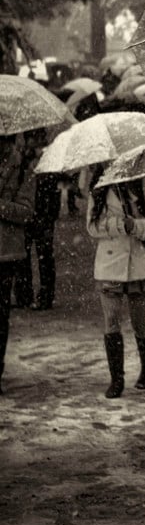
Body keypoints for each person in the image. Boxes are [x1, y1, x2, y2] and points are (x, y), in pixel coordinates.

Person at [86, 166, 145, 398]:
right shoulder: (99, 187)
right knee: (111, 321)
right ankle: (117, 379)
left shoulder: (141, 185)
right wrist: (119, 225)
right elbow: (91, 227)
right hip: (109, 265)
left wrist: (137, 226)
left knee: (138, 322)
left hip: (138, 263)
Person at [0, 133, 35, 393]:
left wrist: (1, 206)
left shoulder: (23, 169)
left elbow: (26, 212)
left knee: (0, 316)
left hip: (6, 253)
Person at [13, 129, 62, 310]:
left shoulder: (47, 159)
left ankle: (44, 295)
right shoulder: (23, 159)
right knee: (24, 255)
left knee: (44, 255)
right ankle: (25, 294)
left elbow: (52, 188)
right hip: (30, 211)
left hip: (42, 212)